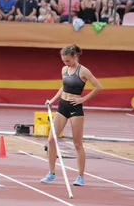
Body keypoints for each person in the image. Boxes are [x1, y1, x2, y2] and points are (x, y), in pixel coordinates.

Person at [41, 44, 103, 186]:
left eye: (68, 60)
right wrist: (52, 100)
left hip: (75, 108)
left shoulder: (84, 71)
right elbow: (64, 87)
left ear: (75, 56)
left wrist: (83, 99)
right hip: (63, 106)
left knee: (77, 144)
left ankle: (80, 177)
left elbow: (98, 87)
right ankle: (51, 173)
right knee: (51, 139)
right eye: (63, 60)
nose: (66, 63)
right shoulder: (64, 69)